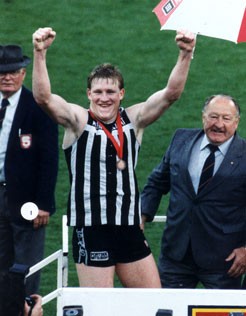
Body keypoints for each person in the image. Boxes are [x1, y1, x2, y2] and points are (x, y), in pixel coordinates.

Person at [32, 26, 196, 288]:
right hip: (92, 228)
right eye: (98, 92)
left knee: (153, 302)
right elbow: (43, 98)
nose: (104, 98)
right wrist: (39, 53)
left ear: (122, 94)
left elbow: (170, 95)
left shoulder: (134, 119)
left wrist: (185, 54)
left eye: (111, 92)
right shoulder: (77, 121)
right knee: (100, 308)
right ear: (88, 95)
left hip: (129, 227)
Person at [141, 94, 246, 289]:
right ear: (203, 117)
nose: (219, 124)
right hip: (176, 255)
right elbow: (157, 182)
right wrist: (142, 214)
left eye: (226, 118)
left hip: (224, 261)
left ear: (237, 122)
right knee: (168, 310)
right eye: (213, 117)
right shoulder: (181, 139)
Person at [0, 44, 58, 295]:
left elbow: (49, 157)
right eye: (2, 72)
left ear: (23, 73)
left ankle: (28, 310)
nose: (7, 77)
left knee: (28, 266)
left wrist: (43, 202)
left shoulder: (38, 106)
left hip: (27, 200)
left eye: (13, 71)